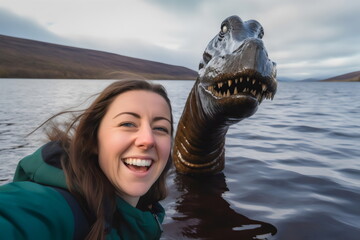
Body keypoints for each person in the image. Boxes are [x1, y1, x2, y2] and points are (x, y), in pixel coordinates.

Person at [0, 80, 174, 240]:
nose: (148, 140)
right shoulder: (53, 207)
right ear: (93, 141)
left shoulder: (145, 216)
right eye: (127, 124)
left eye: (160, 128)